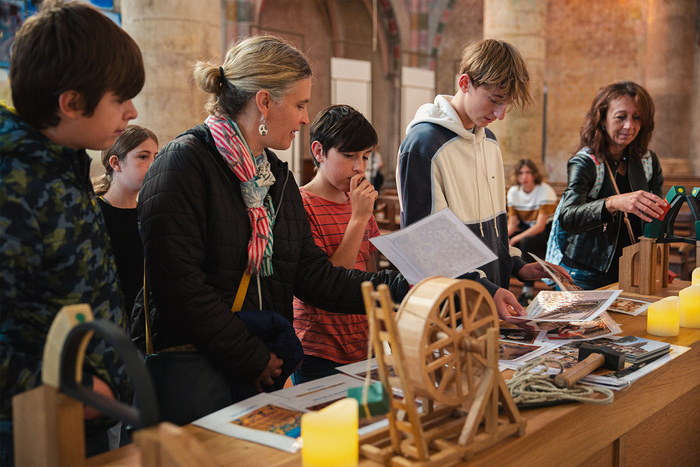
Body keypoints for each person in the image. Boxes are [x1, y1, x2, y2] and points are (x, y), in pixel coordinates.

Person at [136, 36, 407, 410]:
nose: (305, 118)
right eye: (299, 104)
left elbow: (313, 276)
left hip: (261, 368)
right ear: (264, 102)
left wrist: (407, 286)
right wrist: (253, 356)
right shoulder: (183, 163)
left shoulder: (275, 177)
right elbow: (181, 290)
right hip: (203, 371)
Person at [0, 1, 144, 463]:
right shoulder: (15, 183)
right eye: (119, 99)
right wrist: (72, 388)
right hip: (30, 428)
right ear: (72, 103)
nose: (132, 111)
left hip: (84, 417)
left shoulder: (62, 165)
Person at [396, 38, 570, 326]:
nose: (500, 115)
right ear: (465, 83)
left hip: (492, 301)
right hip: (450, 311)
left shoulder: (489, 141)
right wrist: (485, 289)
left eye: (507, 104)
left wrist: (519, 265)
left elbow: (496, 228)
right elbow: (427, 247)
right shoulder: (423, 145)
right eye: (494, 100)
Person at [292, 105, 380, 383]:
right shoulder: (300, 205)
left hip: (366, 344)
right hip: (319, 350)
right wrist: (359, 218)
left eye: (365, 157)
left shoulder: (358, 202)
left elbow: (369, 271)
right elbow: (328, 285)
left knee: (368, 423)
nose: (359, 168)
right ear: (319, 151)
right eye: (349, 155)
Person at [555, 81, 666, 289]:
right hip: (586, 272)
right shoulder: (586, 161)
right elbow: (568, 217)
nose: (629, 126)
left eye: (637, 118)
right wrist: (612, 202)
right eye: (620, 117)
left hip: (632, 270)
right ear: (603, 119)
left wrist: (656, 261)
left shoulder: (647, 161)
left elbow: (656, 218)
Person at [93, 125, 158, 315]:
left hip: (142, 325)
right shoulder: (94, 212)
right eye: (143, 156)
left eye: (156, 156)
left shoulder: (149, 213)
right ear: (116, 163)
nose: (153, 164)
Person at [507, 159, 558, 305]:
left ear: (534, 174)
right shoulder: (513, 192)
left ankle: (527, 292)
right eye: (521, 173)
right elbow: (512, 224)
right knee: (502, 240)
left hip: (547, 230)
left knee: (525, 241)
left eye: (528, 172)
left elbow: (540, 226)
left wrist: (515, 239)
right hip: (525, 228)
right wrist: (503, 237)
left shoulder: (544, 190)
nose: (524, 177)